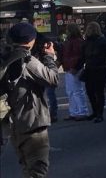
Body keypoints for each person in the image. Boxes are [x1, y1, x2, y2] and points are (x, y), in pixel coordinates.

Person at [0, 23, 58, 177]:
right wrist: (49, 57)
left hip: (12, 123)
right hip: (31, 122)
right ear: (30, 40)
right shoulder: (27, 61)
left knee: (27, 166)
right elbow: (52, 79)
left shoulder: (5, 56)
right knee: (37, 169)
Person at [80, 22, 106, 123]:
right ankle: (97, 112)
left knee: (95, 92)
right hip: (95, 68)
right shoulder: (97, 41)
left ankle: (98, 113)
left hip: (97, 68)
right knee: (95, 92)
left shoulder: (95, 41)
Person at [60, 23, 89, 121]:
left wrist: (75, 67)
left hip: (72, 68)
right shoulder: (77, 41)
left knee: (75, 91)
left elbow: (80, 56)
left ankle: (80, 111)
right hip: (72, 68)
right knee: (73, 91)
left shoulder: (73, 41)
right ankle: (77, 112)